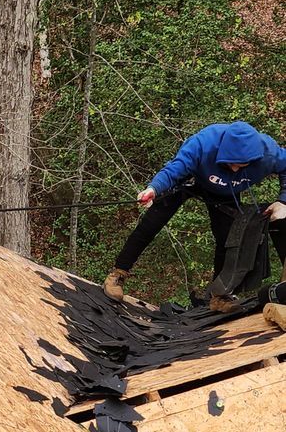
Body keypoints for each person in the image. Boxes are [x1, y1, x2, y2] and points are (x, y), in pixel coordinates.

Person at [104, 120, 286, 303]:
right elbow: (175, 168)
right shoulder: (203, 144)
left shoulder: (269, 153)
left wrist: (282, 200)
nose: (235, 168)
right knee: (151, 223)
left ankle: (218, 296)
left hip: (225, 193)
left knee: (228, 240)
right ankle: (118, 273)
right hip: (189, 179)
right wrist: (153, 189)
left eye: (241, 164)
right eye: (231, 162)